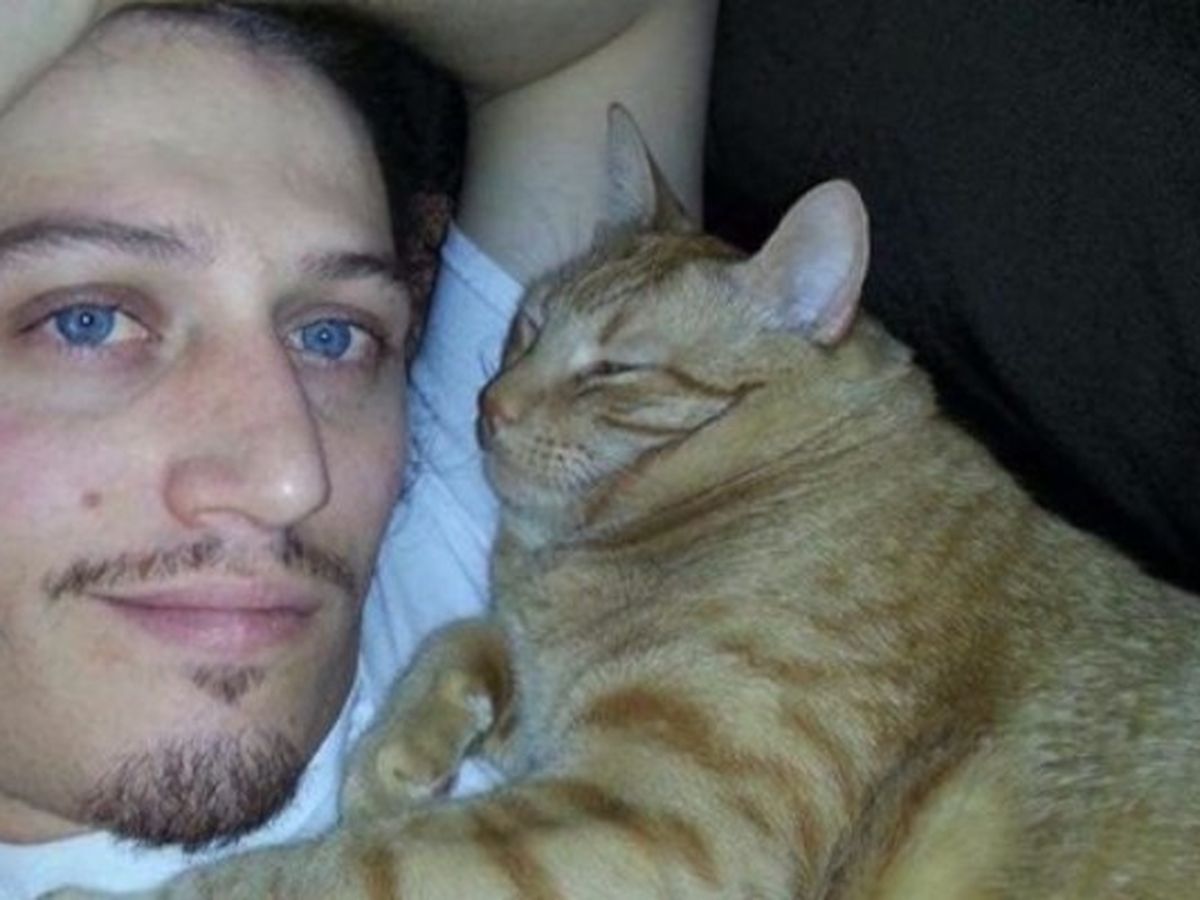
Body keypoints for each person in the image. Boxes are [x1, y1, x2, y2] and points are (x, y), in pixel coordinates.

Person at [0, 1, 716, 895]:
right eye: (87, 322)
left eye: (331, 337)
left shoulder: (469, 578)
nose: (291, 478)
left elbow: (619, 25)